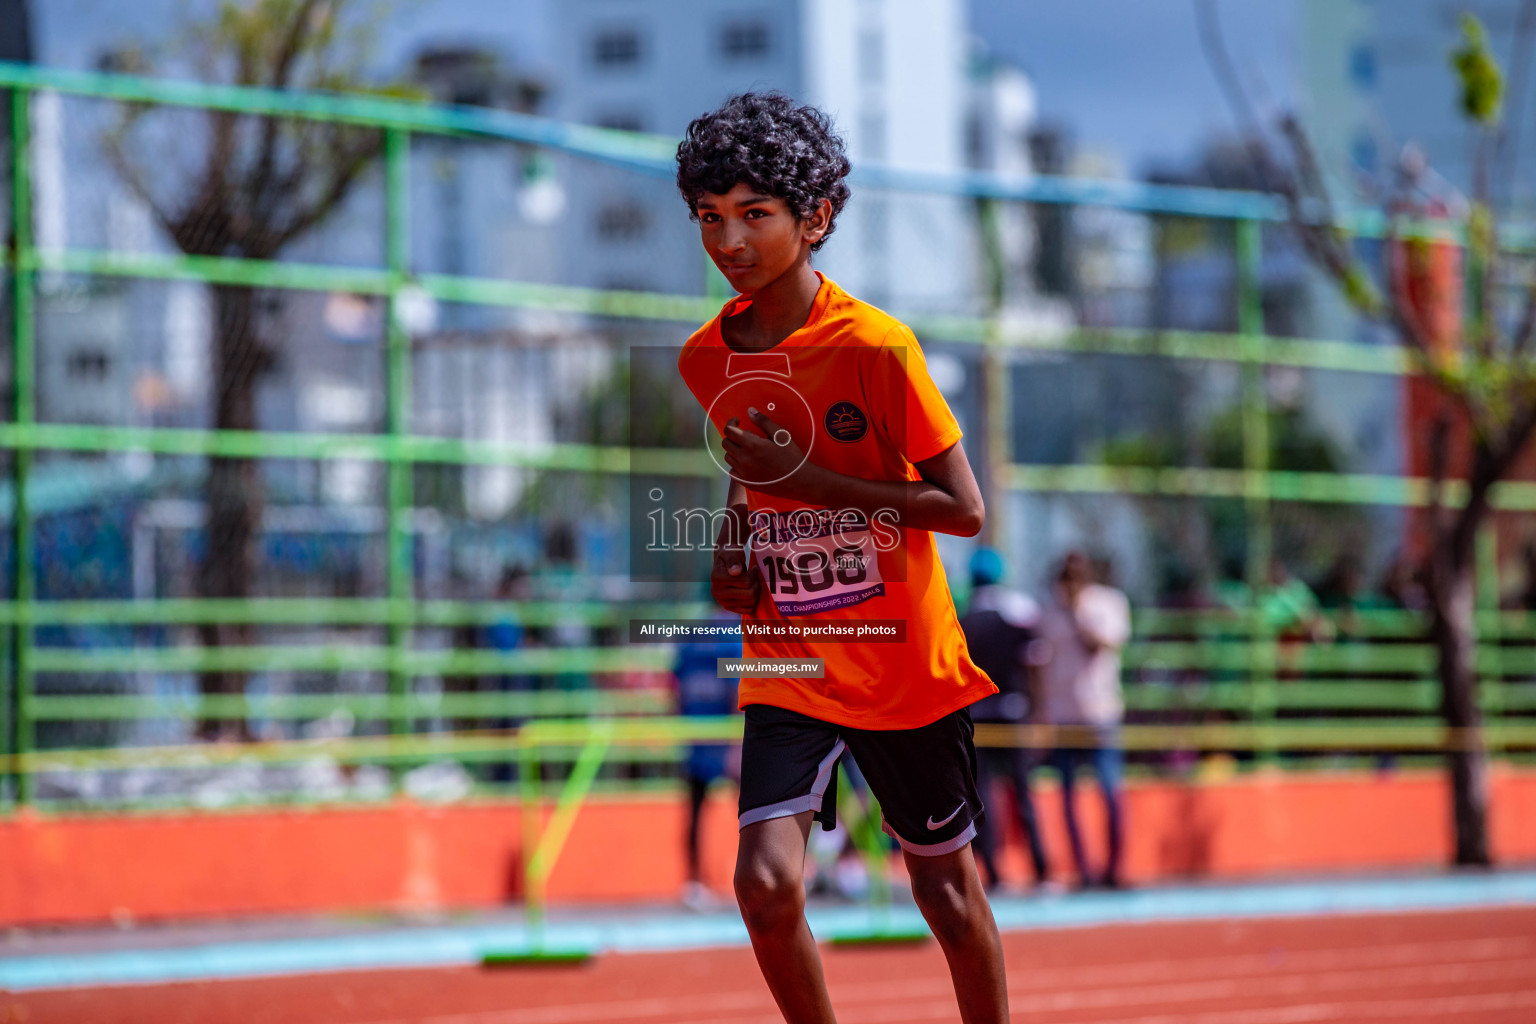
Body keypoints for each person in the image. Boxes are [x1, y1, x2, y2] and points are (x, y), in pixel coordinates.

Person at [675, 93, 1009, 1024]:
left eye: (753, 214)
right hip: (792, 658)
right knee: (766, 886)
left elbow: (965, 509)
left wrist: (811, 478)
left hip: (902, 661)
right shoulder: (708, 357)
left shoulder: (876, 346)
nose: (727, 240)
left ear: (815, 218)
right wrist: (735, 547)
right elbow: (750, 477)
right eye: (709, 216)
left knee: (946, 895)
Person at [1036, 550, 1131, 890]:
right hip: (1063, 716)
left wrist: (1079, 612)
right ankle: (1084, 871)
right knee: (1067, 798)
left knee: (1110, 791)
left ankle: (1115, 869)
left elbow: (1101, 645)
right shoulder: (1047, 610)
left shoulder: (1107, 602)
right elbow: (1040, 666)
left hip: (1100, 712)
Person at [958, 547, 1052, 892]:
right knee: (1024, 795)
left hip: (976, 721)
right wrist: (1039, 712)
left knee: (981, 800)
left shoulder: (961, 622)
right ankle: (1041, 871)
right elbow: (1035, 668)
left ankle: (994, 875)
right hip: (1013, 715)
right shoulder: (1017, 621)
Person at [672, 609, 743, 910]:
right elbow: (737, 689)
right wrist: (736, 745)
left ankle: (694, 882)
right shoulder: (735, 635)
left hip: (698, 738)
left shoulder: (691, 638)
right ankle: (775, 873)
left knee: (696, 813)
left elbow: (674, 688)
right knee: (760, 812)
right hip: (725, 739)